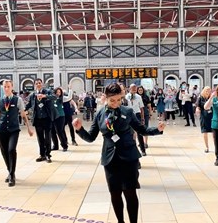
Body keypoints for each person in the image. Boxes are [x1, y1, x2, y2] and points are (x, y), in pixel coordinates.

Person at [72, 83, 165, 223]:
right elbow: (91, 137)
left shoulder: (127, 111)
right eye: (112, 100)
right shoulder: (100, 114)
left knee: (130, 193)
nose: (116, 103)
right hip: (110, 159)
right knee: (115, 194)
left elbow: (141, 129)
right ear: (106, 98)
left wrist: (157, 130)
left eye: (119, 100)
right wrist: (79, 130)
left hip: (129, 157)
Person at [0, 80, 34, 187]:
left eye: (8, 86)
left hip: (13, 130)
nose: (6, 88)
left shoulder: (18, 100)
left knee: (11, 150)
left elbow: (23, 115)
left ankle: (12, 174)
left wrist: (29, 128)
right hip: (1, 130)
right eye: (5, 87)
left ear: (12, 87)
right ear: (2, 88)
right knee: (4, 152)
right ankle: (10, 171)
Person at [25, 78, 58, 163]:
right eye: (36, 83)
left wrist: (45, 96)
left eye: (39, 83)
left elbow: (55, 97)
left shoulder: (48, 91)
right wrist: (23, 110)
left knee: (47, 137)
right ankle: (42, 154)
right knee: (40, 138)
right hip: (37, 119)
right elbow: (29, 104)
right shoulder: (33, 95)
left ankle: (48, 155)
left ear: (42, 84)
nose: (38, 84)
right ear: (34, 85)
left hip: (47, 118)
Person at [125, 84, 146, 156]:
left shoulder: (139, 97)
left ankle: (143, 150)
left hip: (137, 115)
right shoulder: (126, 97)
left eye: (135, 88)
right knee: (130, 133)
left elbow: (141, 108)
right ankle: (130, 150)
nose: (134, 89)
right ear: (129, 89)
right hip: (129, 115)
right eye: (133, 88)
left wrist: (142, 118)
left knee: (139, 132)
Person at [51, 86, 72, 151]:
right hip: (53, 117)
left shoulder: (62, 98)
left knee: (59, 131)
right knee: (52, 132)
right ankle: (55, 146)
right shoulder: (52, 98)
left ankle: (64, 145)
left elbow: (69, 97)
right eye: (57, 92)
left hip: (60, 116)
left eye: (59, 92)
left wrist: (70, 89)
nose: (58, 93)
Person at [196, 86, 213, 153]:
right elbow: (197, 105)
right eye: (206, 90)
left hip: (211, 116)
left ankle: (216, 145)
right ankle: (206, 147)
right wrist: (197, 109)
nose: (208, 92)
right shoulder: (200, 98)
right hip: (204, 116)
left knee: (213, 132)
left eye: (209, 91)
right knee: (204, 131)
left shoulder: (212, 98)